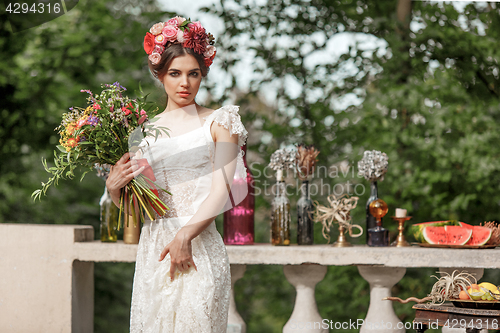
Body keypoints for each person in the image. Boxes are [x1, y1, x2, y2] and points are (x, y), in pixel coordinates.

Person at [105, 16, 248, 333]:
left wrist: (185, 235)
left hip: (198, 248)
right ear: (159, 74)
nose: (185, 83)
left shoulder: (221, 122)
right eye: (175, 73)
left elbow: (222, 191)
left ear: (203, 74)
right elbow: (144, 210)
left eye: (193, 74)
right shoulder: (142, 135)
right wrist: (116, 192)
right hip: (153, 251)